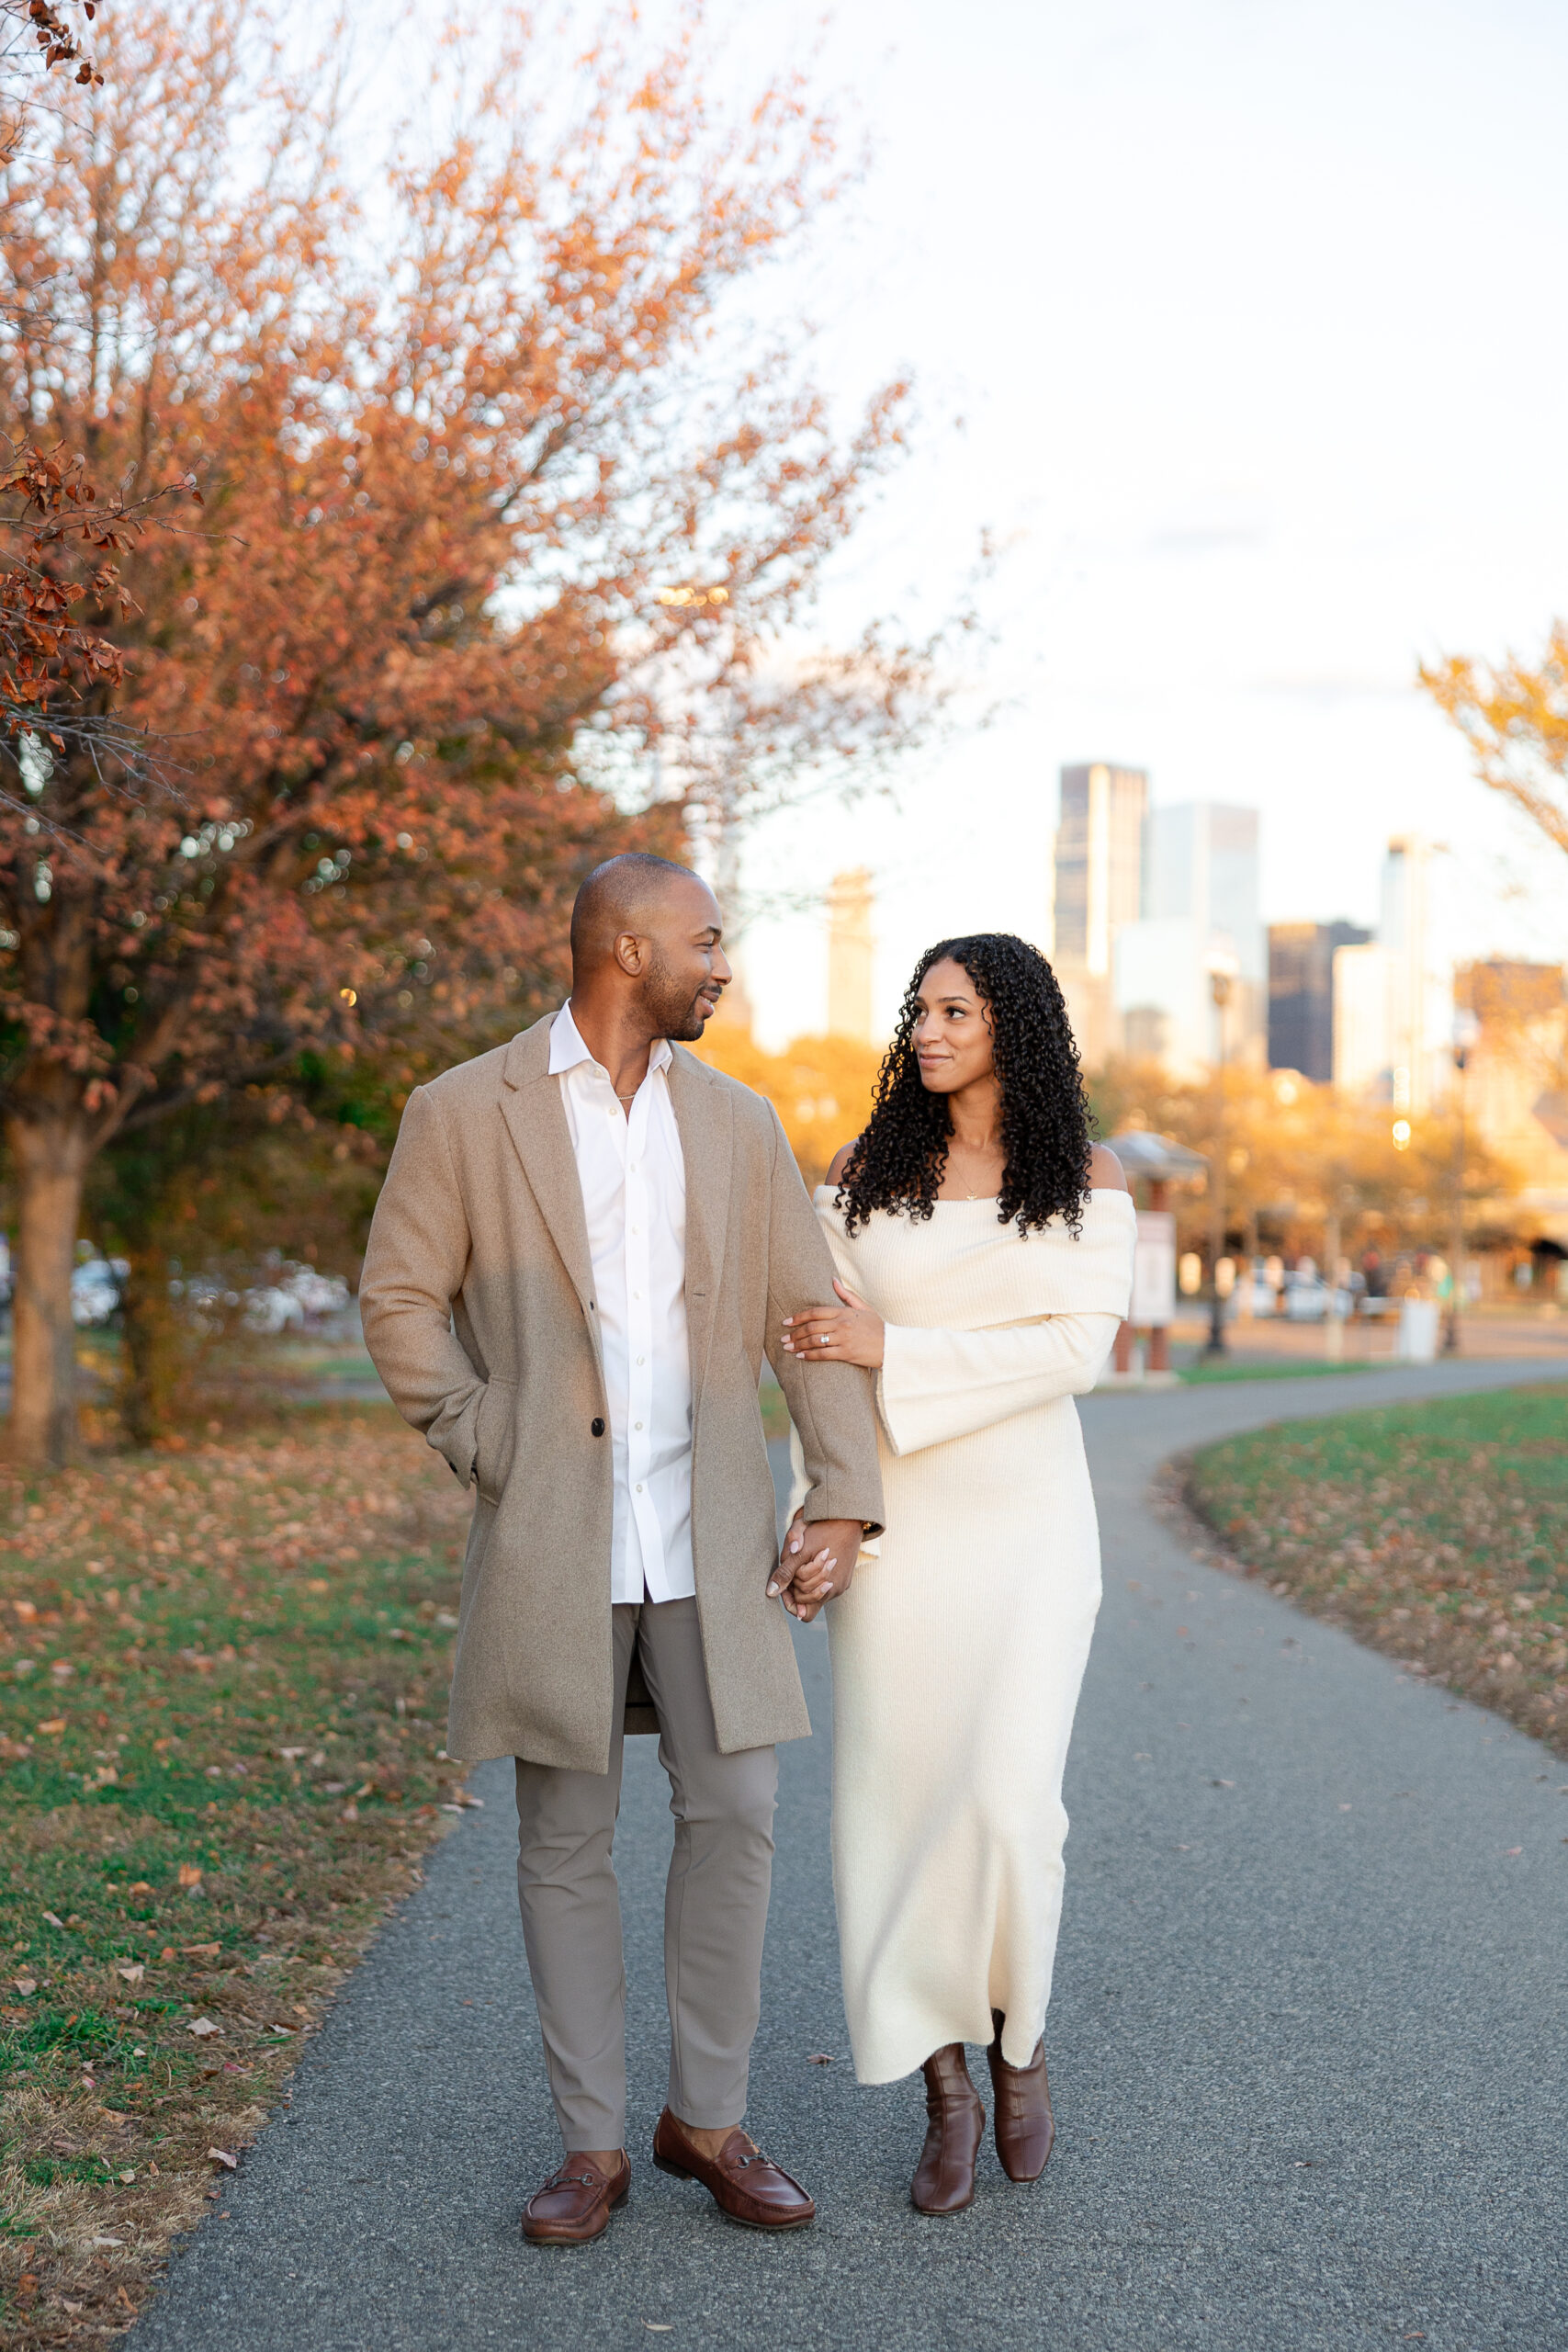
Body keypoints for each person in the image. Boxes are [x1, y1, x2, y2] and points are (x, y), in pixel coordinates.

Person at [359, 854, 884, 2246]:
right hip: (554, 1532)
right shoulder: (466, 1110)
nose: (724, 964)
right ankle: (590, 2146)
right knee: (565, 1840)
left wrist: (840, 1487)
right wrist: (488, 1437)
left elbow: (805, 1314)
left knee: (740, 1815)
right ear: (625, 948)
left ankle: (704, 2121)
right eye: (707, 941)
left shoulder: (741, 1122)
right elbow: (400, 1295)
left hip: (710, 1533)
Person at [778, 933, 1133, 2215]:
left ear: (1014, 1027)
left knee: (1008, 1807)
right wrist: (824, 1510)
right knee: (893, 1812)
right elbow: (816, 1349)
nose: (925, 1030)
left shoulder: (1084, 1182)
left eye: (953, 1010)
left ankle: (1019, 2047)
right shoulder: (865, 1177)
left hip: (1031, 1532)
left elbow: (1076, 1351)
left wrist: (898, 1348)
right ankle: (945, 2094)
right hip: (900, 1529)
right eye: (917, 1009)